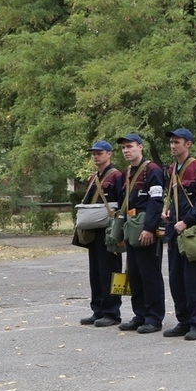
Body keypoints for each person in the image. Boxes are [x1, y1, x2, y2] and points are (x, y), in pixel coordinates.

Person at [161, 128, 196, 341]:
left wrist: (186, 221)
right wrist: (167, 211)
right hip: (174, 230)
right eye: (171, 142)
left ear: (188, 144)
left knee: (194, 279)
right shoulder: (172, 169)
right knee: (176, 278)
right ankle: (183, 321)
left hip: (190, 230)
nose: (173, 145)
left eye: (177, 142)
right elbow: (171, 196)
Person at [115, 133, 166, 334]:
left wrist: (149, 228)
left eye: (130, 146)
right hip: (130, 225)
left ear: (140, 147)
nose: (126, 150)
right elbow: (122, 202)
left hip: (145, 226)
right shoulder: (126, 172)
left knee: (150, 274)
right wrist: (119, 231)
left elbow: (156, 201)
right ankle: (140, 315)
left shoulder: (152, 170)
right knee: (134, 273)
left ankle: (154, 318)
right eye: (123, 148)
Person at [79, 140, 124, 327]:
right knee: (96, 272)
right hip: (94, 231)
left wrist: (120, 233)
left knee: (110, 271)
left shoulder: (117, 176)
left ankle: (112, 312)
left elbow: (122, 204)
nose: (96, 156)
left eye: (99, 153)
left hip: (110, 230)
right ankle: (97, 309)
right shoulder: (93, 177)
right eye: (93, 153)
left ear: (109, 154)